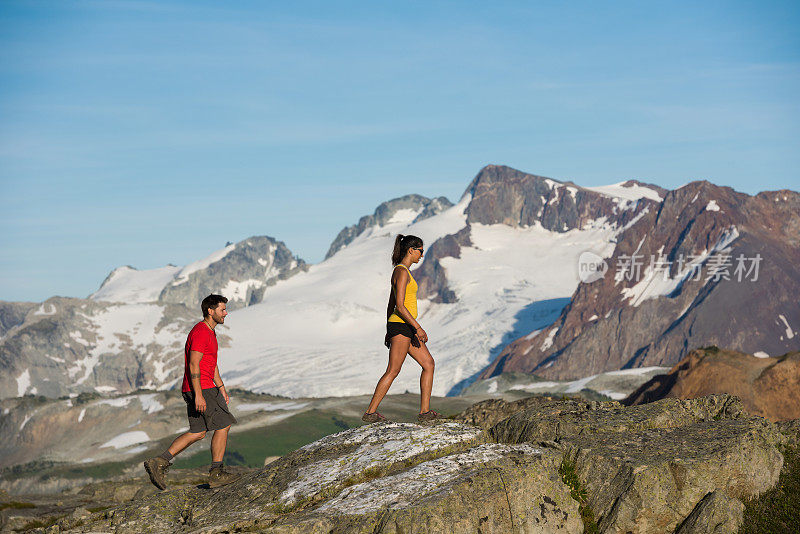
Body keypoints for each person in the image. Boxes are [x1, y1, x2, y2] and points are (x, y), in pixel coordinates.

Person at [144, 294, 240, 489]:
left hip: (201, 387)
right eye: (222, 310)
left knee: (198, 432)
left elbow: (211, 364)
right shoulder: (201, 332)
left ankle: (159, 462)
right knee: (224, 425)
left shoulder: (210, 332)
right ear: (210, 311)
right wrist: (198, 394)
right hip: (201, 387)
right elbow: (194, 364)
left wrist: (221, 388)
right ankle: (216, 472)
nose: (226, 313)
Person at [363, 234, 440, 423]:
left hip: (402, 326)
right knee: (393, 370)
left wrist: (389, 329)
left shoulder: (402, 271)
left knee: (428, 364)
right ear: (411, 250)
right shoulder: (402, 272)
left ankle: (424, 413)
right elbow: (399, 305)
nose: (422, 255)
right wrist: (418, 327)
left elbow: (391, 304)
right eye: (420, 251)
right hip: (403, 325)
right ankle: (370, 413)